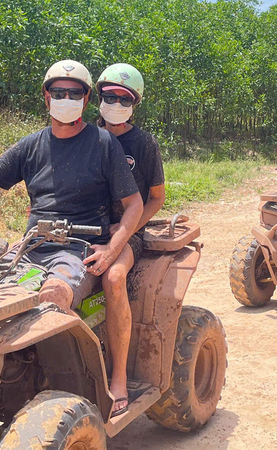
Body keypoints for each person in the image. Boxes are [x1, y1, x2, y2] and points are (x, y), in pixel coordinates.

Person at [0, 59, 144, 320]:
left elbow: (134, 204)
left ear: (86, 98)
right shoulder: (30, 146)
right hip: (29, 248)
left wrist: (111, 250)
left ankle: (58, 361)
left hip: (76, 251)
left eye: (74, 93)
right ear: (47, 98)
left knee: (52, 297)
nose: (65, 99)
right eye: (58, 93)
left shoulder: (104, 143)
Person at [95, 63, 165, 417]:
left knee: (114, 277)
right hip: (84, 229)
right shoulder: (85, 136)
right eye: (110, 96)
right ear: (99, 97)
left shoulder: (143, 143)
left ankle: (119, 377)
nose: (116, 103)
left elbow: (156, 196)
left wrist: (129, 228)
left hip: (128, 231)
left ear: (135, 103)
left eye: (124, 98)